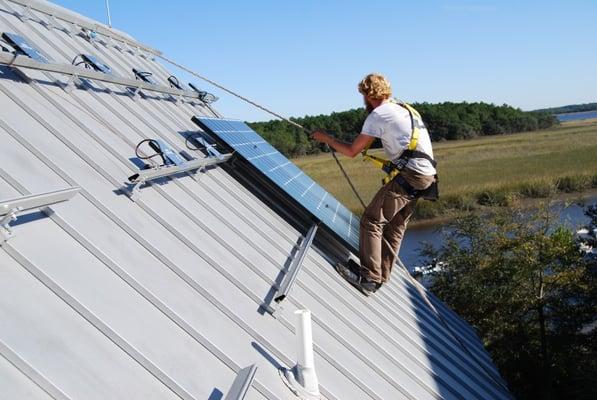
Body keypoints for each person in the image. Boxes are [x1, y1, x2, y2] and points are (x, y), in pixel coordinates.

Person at [311, 73, 437, 295]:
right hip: (426, 175)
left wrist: (327, 139)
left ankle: (369, 278)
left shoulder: (378, 115)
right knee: (395, 225)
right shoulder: (405, 108)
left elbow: (351, 151)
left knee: (371, 220)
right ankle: (381, 275)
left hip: (411, 174)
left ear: (368, 95)